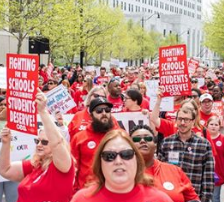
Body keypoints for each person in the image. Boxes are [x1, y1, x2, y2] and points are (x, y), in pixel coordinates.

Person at [0, 89, 75, 202]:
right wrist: (6, 143)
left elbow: (57, 143)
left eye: (45, 142)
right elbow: (5, 170)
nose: (39, 145)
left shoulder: (64, 165)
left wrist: (42, 111)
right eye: (37, 141)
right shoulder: (36, 165)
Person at [71, 129, 173, 202]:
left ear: (137, 160)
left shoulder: (160, 199)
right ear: (100, 162)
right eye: (110, 156)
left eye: (126, 154)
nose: (118, 161)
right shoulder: (81, 199)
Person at [130, 124, 200, 202]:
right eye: (136, 139)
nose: (142, 141)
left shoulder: (175, 171)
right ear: (129, 146)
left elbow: (194, 199)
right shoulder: (124, 174)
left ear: (155, 145)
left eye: (148, 138)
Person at [158, 107, 214, 202]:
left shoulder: (204, 144)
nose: (182, 123)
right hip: (171, 196)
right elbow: (159, 172)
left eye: (186, 120)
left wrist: (205, 199)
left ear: (193, 122)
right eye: (180, 119)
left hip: (194, 197)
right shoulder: (166, 143)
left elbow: (208, 176)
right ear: (176, 121)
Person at [70, 97, 120, 193]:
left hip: (115, 191)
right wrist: (75, 192)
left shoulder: (120, 136)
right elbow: (73, 168)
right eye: (99, 111)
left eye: (107, 110)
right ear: (91, 115)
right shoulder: (79, 138)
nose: (104, 113)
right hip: (87, 193)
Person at [0, 96, 18, 202]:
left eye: (5, 105)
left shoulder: (16, 122)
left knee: (14, 199)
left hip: (12, 168)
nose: (3, 107)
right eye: (1, 105)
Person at [207, 116, 224, 202]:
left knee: (215, 197)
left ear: (219, 127)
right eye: (211, 124)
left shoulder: (222, 139)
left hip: (218, 174)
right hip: (205, 174)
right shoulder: (203, 138)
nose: (213, 126)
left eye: (216, 124)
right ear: (207, 126)